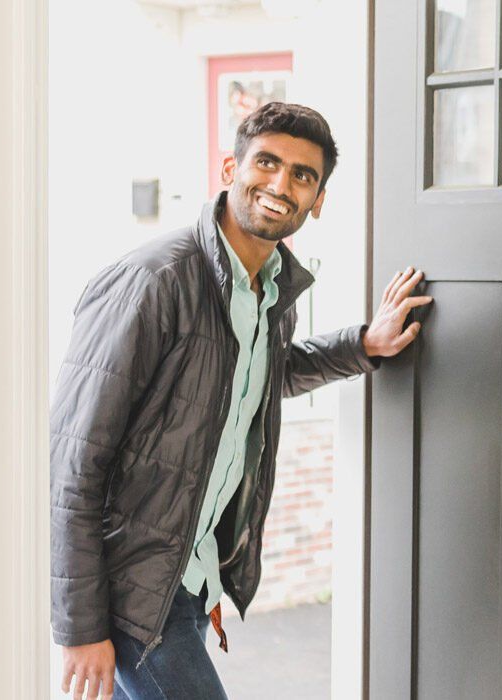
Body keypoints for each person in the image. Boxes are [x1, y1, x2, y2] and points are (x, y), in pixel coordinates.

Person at [51, 102, 432, 700]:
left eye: (302, 175)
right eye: (268, 162)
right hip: (135, 594)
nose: (281, 185)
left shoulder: (271, 288)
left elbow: (266, 375)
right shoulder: (155, 281)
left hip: (192, 578)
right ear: (231, 166)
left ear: (318, 199)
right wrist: (80, 628)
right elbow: (76, 462)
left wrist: (364, 343)